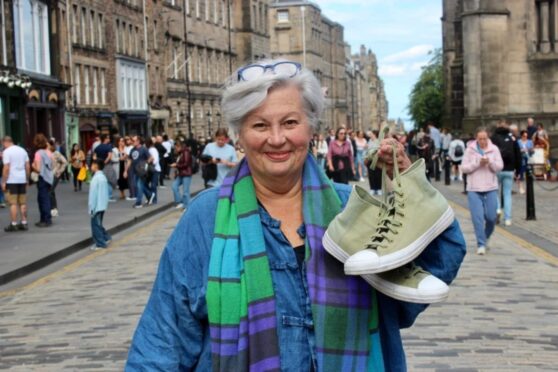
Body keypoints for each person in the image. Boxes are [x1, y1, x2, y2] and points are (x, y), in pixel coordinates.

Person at [126, 59, 465, 371]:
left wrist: (415, 193)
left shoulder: (355, 208)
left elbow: (431, 271)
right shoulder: (205, 217)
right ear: (239, 135)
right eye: (259, 125)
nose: (277, 139)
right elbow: (163, 340)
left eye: (290, 122)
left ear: (310, 127)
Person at [461, 127, 503, 255]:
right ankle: (481, 244)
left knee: (491, 217)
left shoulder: (494, 149)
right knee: (477, 218)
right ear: (476, 139)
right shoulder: (470, 150)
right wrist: (477, 163)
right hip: (474, 188)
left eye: (485, 138)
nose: (483, 141)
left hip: (490, 187)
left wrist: (489, 162)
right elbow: (464, 168)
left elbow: (499, 166)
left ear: (488, 138)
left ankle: (485, 237)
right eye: (480, 139)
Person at [491, 120, 521, 226]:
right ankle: (508, 219)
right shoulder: (512, 138)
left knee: (494, 191)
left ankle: (498, 209)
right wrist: (518, 170)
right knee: (507, 194)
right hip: (509, 169)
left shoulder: (493, 138)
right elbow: (518, 154)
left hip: (497, 169)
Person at [1, 136, 30, 231]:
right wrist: (27, 179)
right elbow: (27, 166)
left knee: (13, 203)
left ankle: (13, 224)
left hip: (11, 180)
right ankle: (24, 222)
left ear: (5, 142)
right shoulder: (22, 150)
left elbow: (6, 168)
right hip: (22, 179)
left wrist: (4, 181)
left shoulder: (7, 152)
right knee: (22, 202)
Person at [31, 134, 54, 227]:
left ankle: (45, 219)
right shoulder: (49, 152)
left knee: (42, 199)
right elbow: (52, 164)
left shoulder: (38, 153)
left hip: (42, 178)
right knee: (46, 198)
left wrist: (32, 166)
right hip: (49, 178)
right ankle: (46, 218)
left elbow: (38, 168)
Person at [125, 135, 153, 208]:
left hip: (142, 171)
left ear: (138, 141)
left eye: (133, 141)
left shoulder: (143, 149)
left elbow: (151, 158)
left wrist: (145, 163)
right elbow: (129, 160)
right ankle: (150, 195)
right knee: (137, 185)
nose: (132, 142)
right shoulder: (132, 150)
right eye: (132, 141)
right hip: (135, 171)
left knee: (139, 185)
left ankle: (138, 203)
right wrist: (125, 171)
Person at [88, 159, 111, 250]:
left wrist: (91, 208)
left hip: (96, 206)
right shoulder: (103, 177)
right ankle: (106, 237)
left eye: (92, 165)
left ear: (96, 166)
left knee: (95, 225)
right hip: (102, 205)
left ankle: (100, 243)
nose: (90, 167)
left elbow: (93, 195)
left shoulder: (95, 179)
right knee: (99, 224)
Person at [47, 139, 68, 217]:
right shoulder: (45, 153)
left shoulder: (56, 153)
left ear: (51, 145)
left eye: (47, 145)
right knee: (51, 191)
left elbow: (65, 162)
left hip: (55, 174)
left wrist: (59, 171)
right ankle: (52, 208)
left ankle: (53, 209)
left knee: (50, 190)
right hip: (48, 175)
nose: (46, 146)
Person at [170, 141, 192, 210]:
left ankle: (187, 206)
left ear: (179, 146)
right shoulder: (180, 153)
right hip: (181, 174)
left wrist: (176, 165)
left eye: (176, 148)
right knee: (174, 186)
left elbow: (186, 163)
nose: (175, 149)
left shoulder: (185, 152)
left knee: (185, 191)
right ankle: (180, 202)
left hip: (186, 173)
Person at [94, 134, 116, 201]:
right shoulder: (108, 147)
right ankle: (109, 196)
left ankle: (102, 196)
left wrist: (99, 162)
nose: (109, 139)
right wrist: (104, 162)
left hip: (99, 166)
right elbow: (109, 156)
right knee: (109, 180)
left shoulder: (97, 147)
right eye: (108, 138)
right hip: (107, 165)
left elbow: (94, 157)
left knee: (101, 181)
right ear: (105, 139)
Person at [145, 138, 161, 205]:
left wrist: (149, 162)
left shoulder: (153, 150)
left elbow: (155, 160)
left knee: (153, 185)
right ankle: (150, 197)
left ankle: (154, 199)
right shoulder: (149, 149)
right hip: (151, 170)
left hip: (155, 169)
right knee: (146, 183)